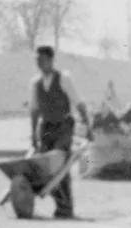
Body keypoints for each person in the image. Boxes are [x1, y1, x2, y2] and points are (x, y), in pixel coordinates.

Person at [29, 45, 91, 218]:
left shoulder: (64, 78)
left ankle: (67, 206)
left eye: (41, 59)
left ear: (50, 60)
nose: (39, 63)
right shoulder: (35, 83)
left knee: (60, 164)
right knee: (48, 168)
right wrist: (34, 135)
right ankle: (60, 205)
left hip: (63, 126)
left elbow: (78, 103)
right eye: (37, 60)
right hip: (46, 129)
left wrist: (88, 127)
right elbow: (34, 110)